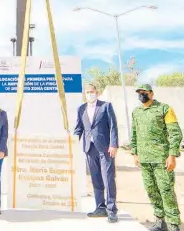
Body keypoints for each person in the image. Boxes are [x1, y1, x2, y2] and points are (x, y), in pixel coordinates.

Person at [130, 84, 183, 231]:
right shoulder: (136, 112)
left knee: (166, 191)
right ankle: (160, 222)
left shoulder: (164, 108)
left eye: (144, 92)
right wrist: (135, 153)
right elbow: (134, 134)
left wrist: (172, 155)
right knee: (151, 191)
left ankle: (173, 224)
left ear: (151, 94)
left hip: (161, 159)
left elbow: (175, 133)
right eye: (139, 92)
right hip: (144, 160)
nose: (141, 95)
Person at [73, 83, 119, 223]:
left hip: (105, 148)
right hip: (89, 148)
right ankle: (100, 207)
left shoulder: (106, 106)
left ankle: (112, 210)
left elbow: (113, 126)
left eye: (92, 92)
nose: (90, 94)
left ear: (97, 92)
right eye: (87, 92)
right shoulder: (81, 109)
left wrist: (114, 144)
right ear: (85, 94)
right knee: (96, 178)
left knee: (108, 178)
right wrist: (73, 139)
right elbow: (79, 128)